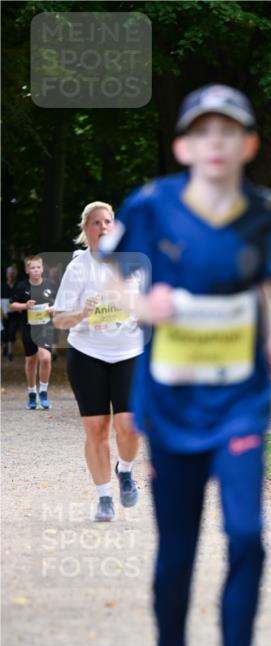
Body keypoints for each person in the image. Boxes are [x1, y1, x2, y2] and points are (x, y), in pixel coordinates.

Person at [98, 84, 271, 646]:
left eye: (229, 131)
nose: (215, 142)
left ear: (247, 145)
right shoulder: (151, 204)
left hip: (240, 397)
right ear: (184, 146)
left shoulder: (264, 211)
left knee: (247, 537)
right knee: (176, 551)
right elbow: (114, 275)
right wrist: (139, 304)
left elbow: (259, 286)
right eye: (201, 131)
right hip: (174, 402)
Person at [53, 202, 143, 522]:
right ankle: (104, 497)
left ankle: (126, 470)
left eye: (108, 221)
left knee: (129, 426)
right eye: (96, 222)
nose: (103, 227)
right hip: (88, 354)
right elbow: (59, 320)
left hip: (129, 352)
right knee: (96, 429)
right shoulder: (79, 268)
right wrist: (81, 314)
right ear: (86, 229)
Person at [9, 255, 57, 410]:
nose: (35, 270)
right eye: (32, 268)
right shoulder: (22, 286)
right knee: (31, 361)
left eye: (38, 267)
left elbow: (59, 303)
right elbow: (12, 305)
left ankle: (43, 391)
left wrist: (52, 309)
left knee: (46, 358)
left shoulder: (50, 284)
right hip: (28, 328)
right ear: (27, 270)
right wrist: (24, 306)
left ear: (42, 269)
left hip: (45, 328)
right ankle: (31, 393)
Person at [2, 265, 19, 360]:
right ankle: (5, 347)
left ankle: (9, 352)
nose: (11, 276)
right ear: (7, 275)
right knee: (4, 333)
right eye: (9, 274)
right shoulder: (2, 286)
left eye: (12, 274)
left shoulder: (18, 286)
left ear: (15, 275)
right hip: (3, 314)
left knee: (12, 332)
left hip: (15, 314)